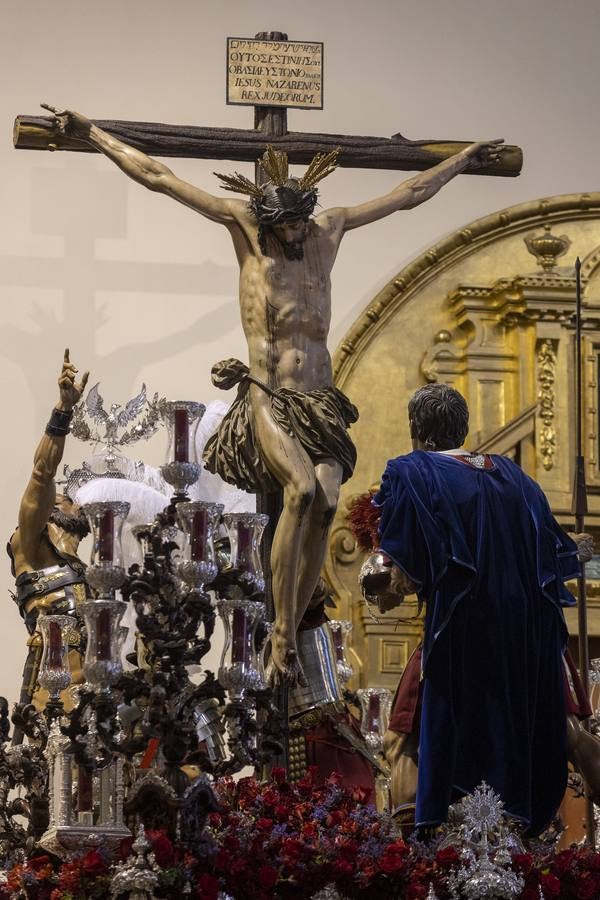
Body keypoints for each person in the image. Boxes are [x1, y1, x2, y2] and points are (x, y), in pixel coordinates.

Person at [42, 103, 503, 682]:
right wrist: (93, 134)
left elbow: (409, 193)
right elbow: (160, 177)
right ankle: (280, 629)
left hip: (320, 397)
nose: (291, 235)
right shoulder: (246, 232)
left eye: (296, 225)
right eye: (282, 227)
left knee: (330, 501)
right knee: (302, 491)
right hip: (270, 394)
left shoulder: (328, 230)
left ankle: (293, 620)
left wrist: (461, 160)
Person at [360, 382, 597, 836]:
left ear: (417, 431)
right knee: (554, 736)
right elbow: (555, 553)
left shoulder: (413, 472)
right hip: (528, 639)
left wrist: (384, 589)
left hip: (463, 633)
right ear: (463, 427)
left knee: (407, 740)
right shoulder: (516, 477)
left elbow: (407, 565)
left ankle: (421, 850)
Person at [8, 350, 90, 725]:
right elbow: (42, 473)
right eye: (63, 496)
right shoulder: (31, 544)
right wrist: (63, 411)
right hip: (52, 694)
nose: (70, 498)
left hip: (98, 690)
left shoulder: (89, 572)